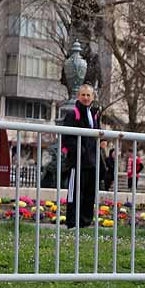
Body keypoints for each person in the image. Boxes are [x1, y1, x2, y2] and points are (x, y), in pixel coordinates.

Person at [60, 84, 101, 229]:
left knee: (89, 194)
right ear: (78, 96)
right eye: (83, 95)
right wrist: (80, 150)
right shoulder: (73, 115)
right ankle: (72, 223)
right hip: (77, 162)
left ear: (93, 97)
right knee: (75, 193)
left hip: (92, 162)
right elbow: (67, 138)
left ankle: (85, 223)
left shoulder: (95, 115)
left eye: (88, 95)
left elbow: (97, 133)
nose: (86, 98)